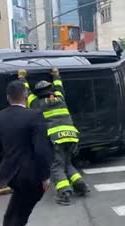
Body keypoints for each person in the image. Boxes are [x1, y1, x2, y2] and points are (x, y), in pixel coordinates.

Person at [0, 80, 53, 226]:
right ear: (25, 95)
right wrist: (45, 176)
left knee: (18, 197)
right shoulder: (34, 116)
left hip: (8, 172)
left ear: (8, 97)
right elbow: (42, 150)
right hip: (30, 174)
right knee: (23, 213)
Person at [27, 68, 89, 206]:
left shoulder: (37, 103)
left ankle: (64, 193)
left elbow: (27, 93)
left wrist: (22, 78)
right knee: (67, 163)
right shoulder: (60, 97)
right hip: (72, 136)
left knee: (55, 167)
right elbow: (59, 86)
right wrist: (56, 75)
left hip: (56, 138)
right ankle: (80, 185)